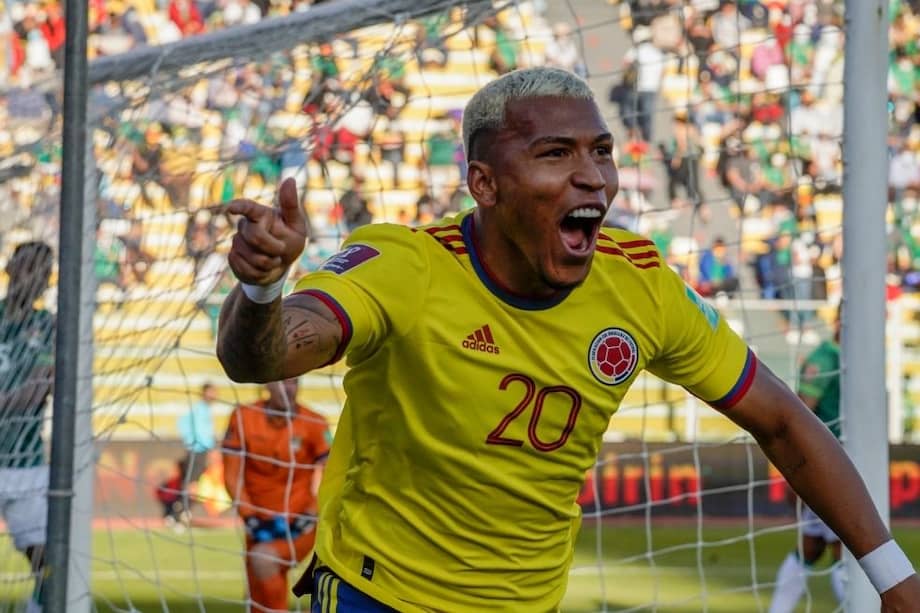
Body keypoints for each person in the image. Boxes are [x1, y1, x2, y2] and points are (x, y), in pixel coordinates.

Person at [216, 67, 920, 611]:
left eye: (602, 151)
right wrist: (262, 289)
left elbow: (783, 420)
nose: (593, 176)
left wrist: (893, 575)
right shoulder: (408, 265)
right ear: (484, 184)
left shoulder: (640, 285)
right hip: (379, 592)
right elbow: (260, 355)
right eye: (556, 153)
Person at [221, 378, 329, 613]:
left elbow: (332, 474)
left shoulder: (315, 423)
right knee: (255, 598)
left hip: (300, 524)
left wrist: (311, 513)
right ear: (267, 385)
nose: (289, 389)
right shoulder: (243, 417)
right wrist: (249, 515)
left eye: (294, 383)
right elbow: (231, 475)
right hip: (258, 524)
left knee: (264, 560)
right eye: (283, 383)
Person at [769, 312, 844, 612]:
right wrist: (797, 468)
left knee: (811, 547)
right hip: (828, 464)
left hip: (839, 462)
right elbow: (801, 413)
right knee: (846, 549)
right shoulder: (825, 360)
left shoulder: (856, 357)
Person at [0, 241, 55, 613]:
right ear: (11, 270)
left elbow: (38, 389)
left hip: (23, 458)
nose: (34, 277)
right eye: (28, 267)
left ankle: (38, 608)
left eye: (42, 271)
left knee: (46, 556)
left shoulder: (48, 326)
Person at [176, 381, 218, 513]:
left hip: (197, 449)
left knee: (193, 482)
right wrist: (209, 447)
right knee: (193, 483)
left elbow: (182, 422)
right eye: (211, 392)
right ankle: (180, 512)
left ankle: (181, 510)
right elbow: (199, 430)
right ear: (204, 393)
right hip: (198, 450)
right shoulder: (200, 409)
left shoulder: (202, 409)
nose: (214, 395)